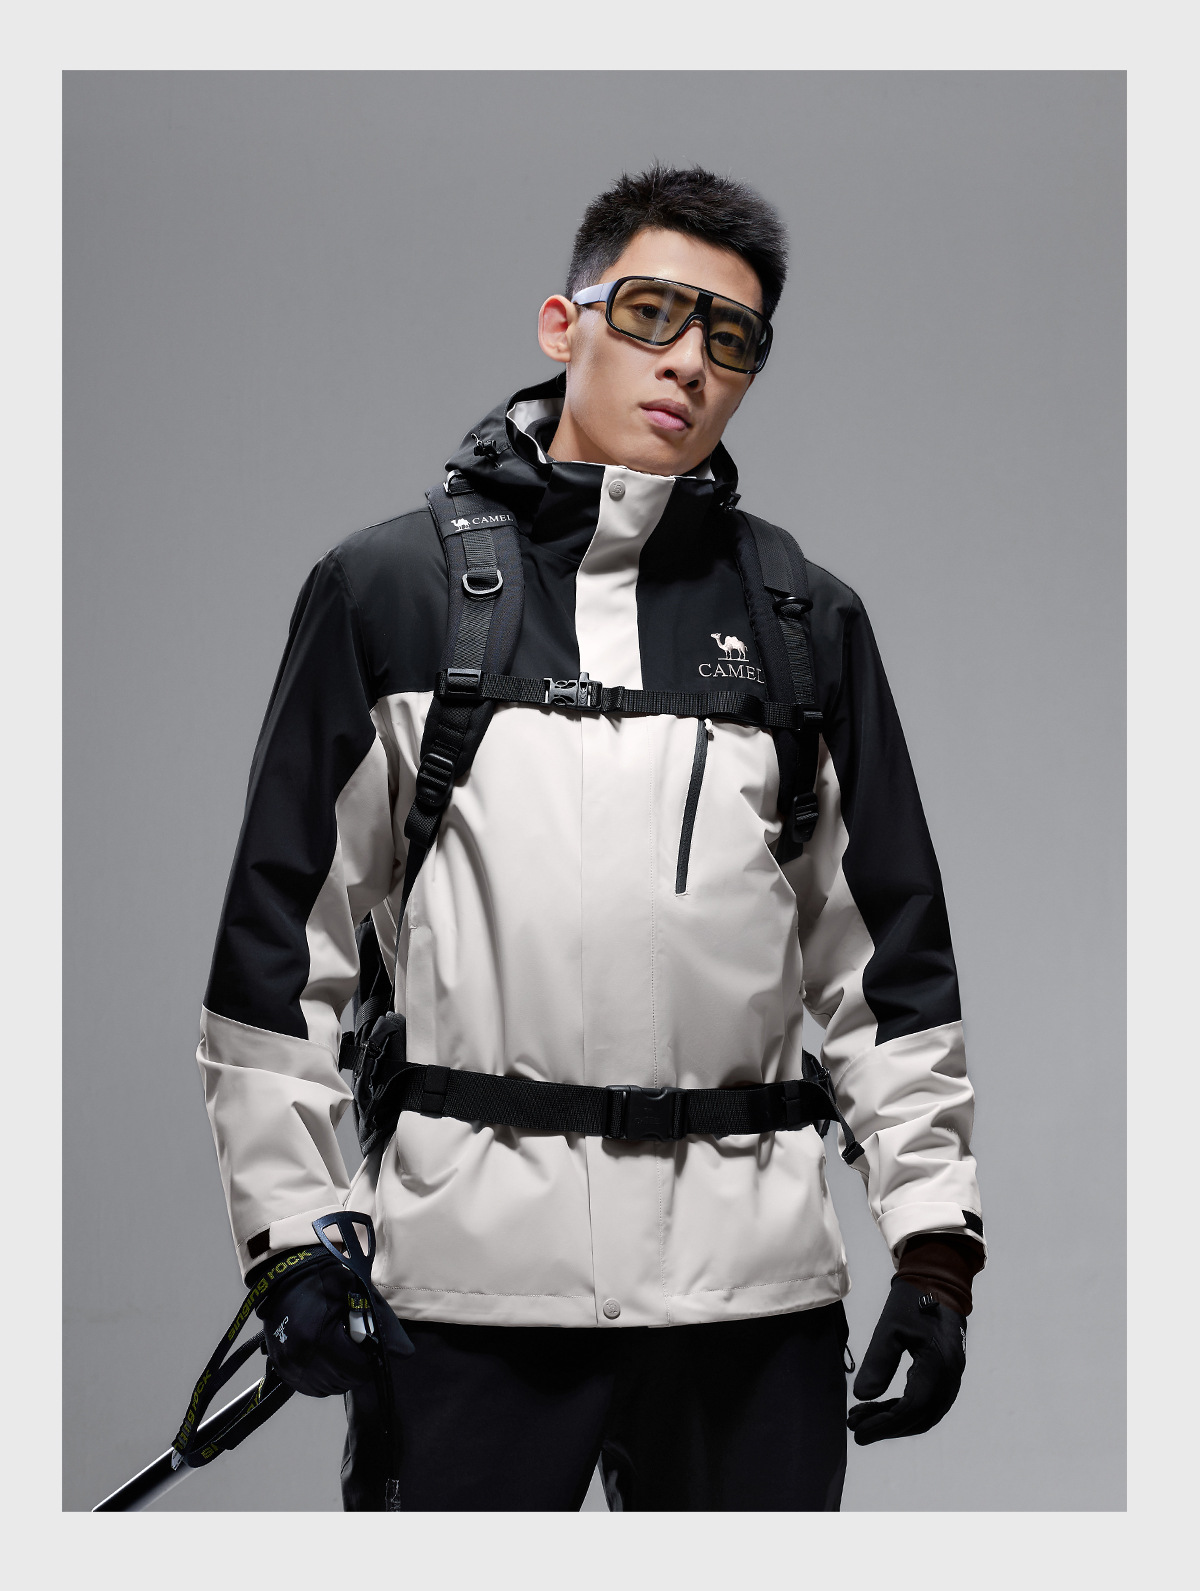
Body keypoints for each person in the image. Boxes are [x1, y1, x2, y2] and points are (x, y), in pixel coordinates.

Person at [197, 164, 985, 1512]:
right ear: (564, 323)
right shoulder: (391, 593)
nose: (690, 360)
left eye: (732, 337)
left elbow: (887, 967)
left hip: (751, 1306)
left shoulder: (806, 622)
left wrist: (932, 1247)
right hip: (465, 1301)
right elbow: (282, 945)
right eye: (653, 312)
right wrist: (290, 1239)